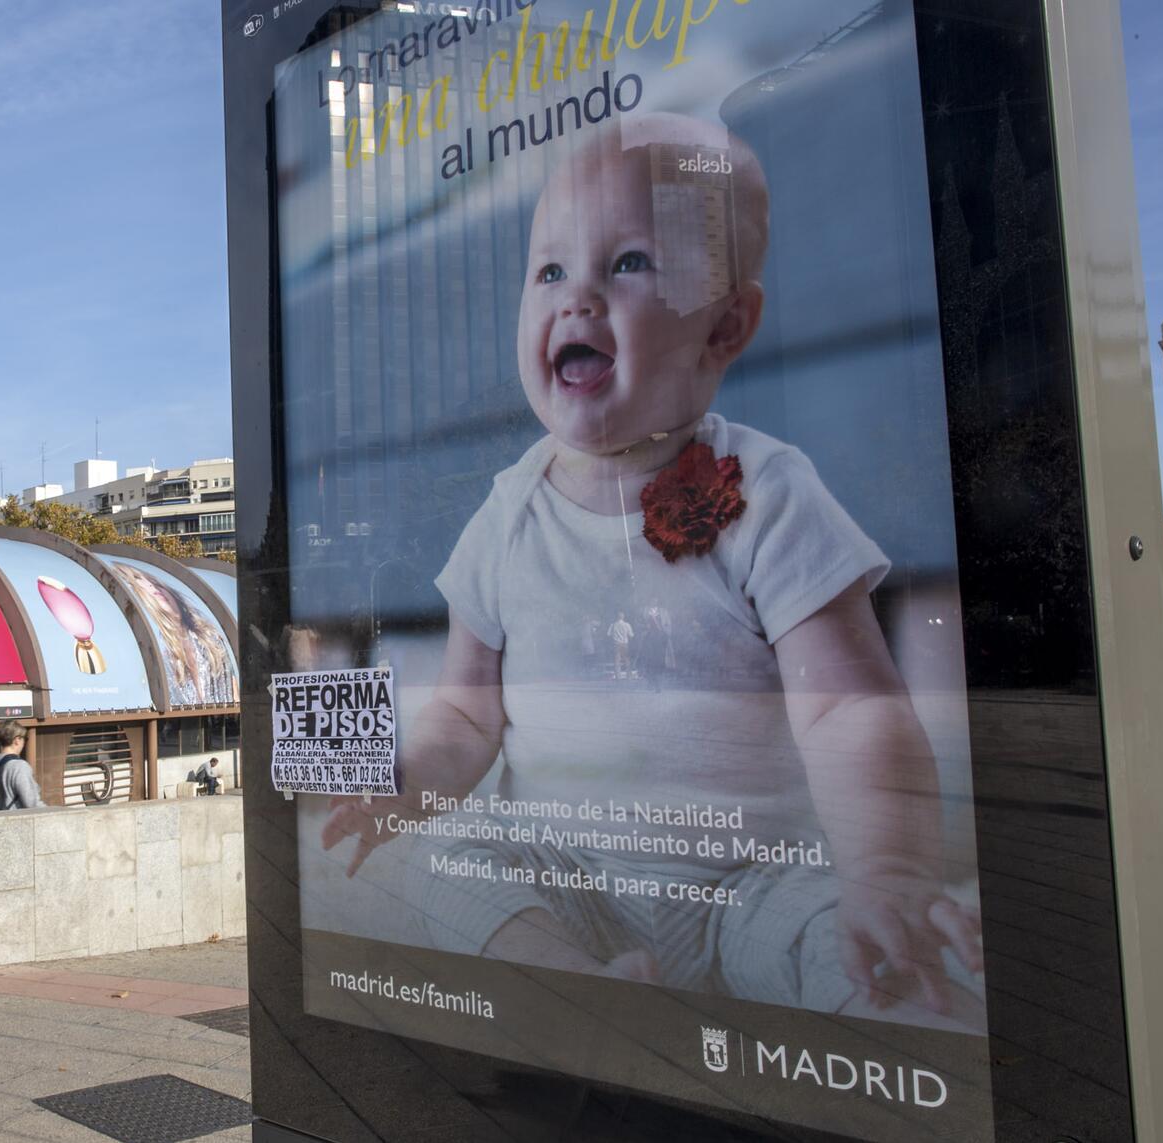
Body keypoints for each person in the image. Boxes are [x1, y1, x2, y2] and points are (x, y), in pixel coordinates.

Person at [321, 114, 981, 1026]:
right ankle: (580, 985)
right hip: (566, 875)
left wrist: (888, 870)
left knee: (853, 939)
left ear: (726, 325)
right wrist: (407, 781)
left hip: (750, 880)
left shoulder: (768, 491)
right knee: (440, 858)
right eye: (550, 271)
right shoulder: (508, 514)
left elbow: (847, 709)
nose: (576, 297)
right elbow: (468, 711)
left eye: (627, 263)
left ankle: (885, 987)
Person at [0, 720, 43, 810]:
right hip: (14, 820)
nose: (24, 743)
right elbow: (31, 803)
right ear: (17, 740)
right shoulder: (19, 766)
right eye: (25, 739)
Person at [606, 612, 634, 679]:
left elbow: (608, 634)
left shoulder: (613, 625)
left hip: (616, 644)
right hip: (625, 644)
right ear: (623, 617)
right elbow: (631, 635)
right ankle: (629, 676)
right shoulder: (627, 625)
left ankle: (618, 677)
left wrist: (615, 636)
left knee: (617, 661)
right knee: (627, 660)